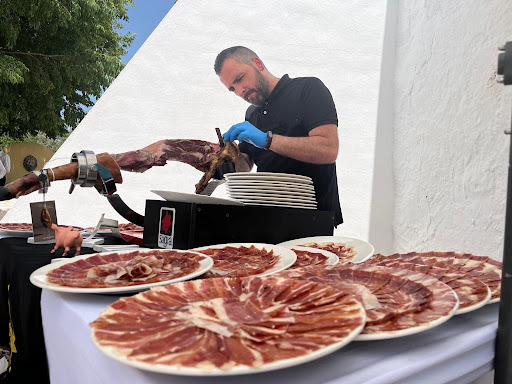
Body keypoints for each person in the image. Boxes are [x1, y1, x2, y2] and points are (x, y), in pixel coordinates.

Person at [214, 46, 343, 226]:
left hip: (312, 218)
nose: (239, 91)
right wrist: (230, 154)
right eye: (232, 88)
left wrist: (268, 140)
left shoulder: (308, 89)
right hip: (264, 216)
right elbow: (245, 166)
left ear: (258, 63)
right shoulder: (251, 114)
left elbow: (329, 149)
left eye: (240, 79)